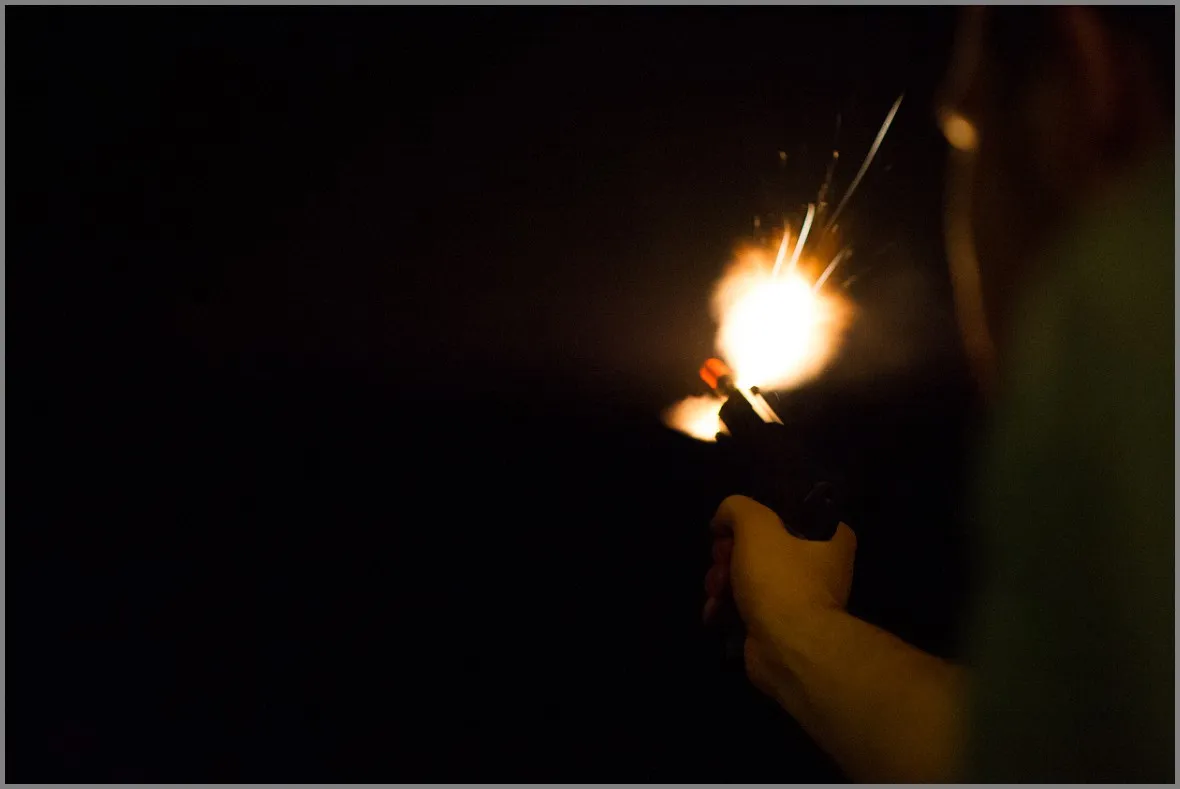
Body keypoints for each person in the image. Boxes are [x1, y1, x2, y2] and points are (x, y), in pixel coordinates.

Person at [703, 7, 1174, 782]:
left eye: (967, 126)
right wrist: (799, 629)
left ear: (1087, 70)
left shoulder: (1120, 323)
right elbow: (1052, 760)